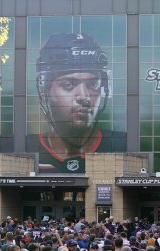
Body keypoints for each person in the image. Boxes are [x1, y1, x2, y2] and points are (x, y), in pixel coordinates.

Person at [31, 32, 126, 173]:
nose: (84, 96)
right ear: (44, 90)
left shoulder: (122, 145)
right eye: (69, 84)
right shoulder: (22, 148)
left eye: (93, 84)